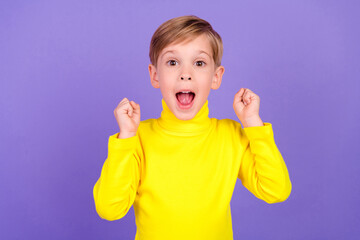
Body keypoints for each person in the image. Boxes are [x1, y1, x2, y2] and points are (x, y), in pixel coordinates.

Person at [93, 15, 292, 240]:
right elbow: (109, 209)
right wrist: (126, 137)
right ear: (155, 75)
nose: (185, 74)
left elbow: (276, 190)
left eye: (199, 63)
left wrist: (253, 124)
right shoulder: (136, 139)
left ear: (216, 77)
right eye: (172, 62)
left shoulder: (230, 136)